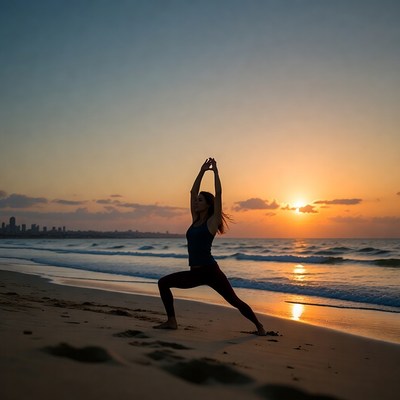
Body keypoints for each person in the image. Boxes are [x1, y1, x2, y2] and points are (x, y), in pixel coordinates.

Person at [154, 158, 267, 335]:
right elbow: (192, 192)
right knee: (163, 283)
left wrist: (215, 172)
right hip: (195, 273)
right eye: (196, 200)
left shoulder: (212, 222)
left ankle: (259, 327)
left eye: (200, 200)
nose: (196, 202)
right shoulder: (195, 220)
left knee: (234, 301)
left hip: (211, 272)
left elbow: (219, 194)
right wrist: (201, 170)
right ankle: (171, 321)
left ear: (208, 204)